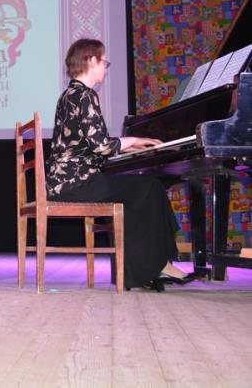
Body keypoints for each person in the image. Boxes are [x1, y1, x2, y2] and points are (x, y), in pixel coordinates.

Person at [46, 38, 195, 291]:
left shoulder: (70, 95)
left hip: (66, 181)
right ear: (91, 60)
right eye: (104, 62)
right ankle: (158, 265)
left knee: (137, 194)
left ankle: (141, 271)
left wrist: (127, 147)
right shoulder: (85, 95)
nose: (105, 68)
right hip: (77, 183)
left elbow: (88, 146)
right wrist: (132, 140)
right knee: (151, 187)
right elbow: (101, 146)